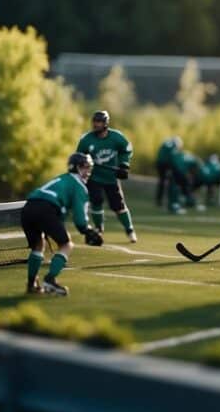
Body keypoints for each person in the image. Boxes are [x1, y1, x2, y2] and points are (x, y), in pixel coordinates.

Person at [20, 153, 101, 296]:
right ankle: (49, 280)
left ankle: (31, 284)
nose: (88, 172)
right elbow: (80, 220)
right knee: (67, 245)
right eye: (86, 168)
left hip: (28, 207)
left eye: (90, 168)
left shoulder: (62, 178)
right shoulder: (79, 186)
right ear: (77, 168)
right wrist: (87, 230)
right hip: (47, 208)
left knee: (38, 246)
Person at [76, 110, 136, 243]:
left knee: (118, 206)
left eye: (99, 122)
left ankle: (129, 229)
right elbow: (78, 157)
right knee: (96, 202)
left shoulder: (116, 137)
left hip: (111, 178)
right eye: (94, 122)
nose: (96, 125)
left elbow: (127, 149)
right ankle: (99, 229)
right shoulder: (86, 140)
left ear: (105, 123)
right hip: (94, 178)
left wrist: (124, 165)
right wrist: (84, 165)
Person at [155, 136, 182, 207]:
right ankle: (170, 200)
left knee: (162, 182)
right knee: (171, 182)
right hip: (166, 164)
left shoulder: (166, 143)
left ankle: (159, 200)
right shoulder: (172, 146)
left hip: (159, 164)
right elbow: (172, 157)